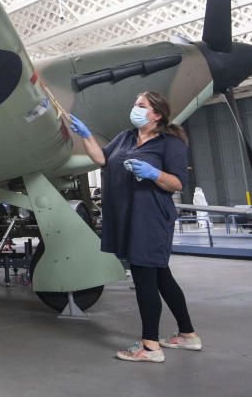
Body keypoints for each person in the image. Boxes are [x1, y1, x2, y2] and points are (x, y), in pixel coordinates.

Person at [69, 91, 201, 363]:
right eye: (135, 104)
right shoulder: (126, 137)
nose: (135, 109)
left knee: (144, 280)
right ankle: (188, 335)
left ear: (157, 114)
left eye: (141, 106)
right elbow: (102, 160)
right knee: (162, 276)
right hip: (128, 216)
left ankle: (150, 346)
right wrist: (85, 135)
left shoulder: (170, 144)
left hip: (150, 218)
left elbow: (177, 183)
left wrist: (153, 174)